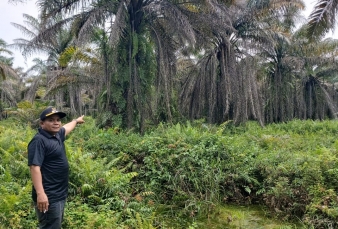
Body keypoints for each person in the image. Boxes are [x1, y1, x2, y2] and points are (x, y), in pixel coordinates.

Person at [27, 107, 85, 229]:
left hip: (59, 193)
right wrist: (41, 194)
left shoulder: (57, 135)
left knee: (55, 225)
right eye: (51, 120)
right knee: (49, 226)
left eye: (58, 120)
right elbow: (34, 167)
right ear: (42, 123)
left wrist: (76, 120)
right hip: (49, 196)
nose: (56, 123)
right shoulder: (39, 141)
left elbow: (67, 128)